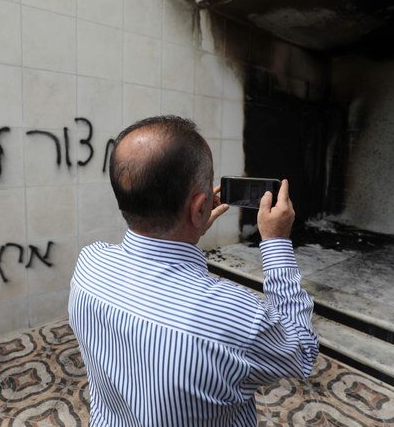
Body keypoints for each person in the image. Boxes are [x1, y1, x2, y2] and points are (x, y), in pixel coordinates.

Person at [68, 115, 319, 426]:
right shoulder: (235, 315)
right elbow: (302, 352)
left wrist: (191, 226)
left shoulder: (88, 264)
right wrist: (276, 242)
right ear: (200, 207)